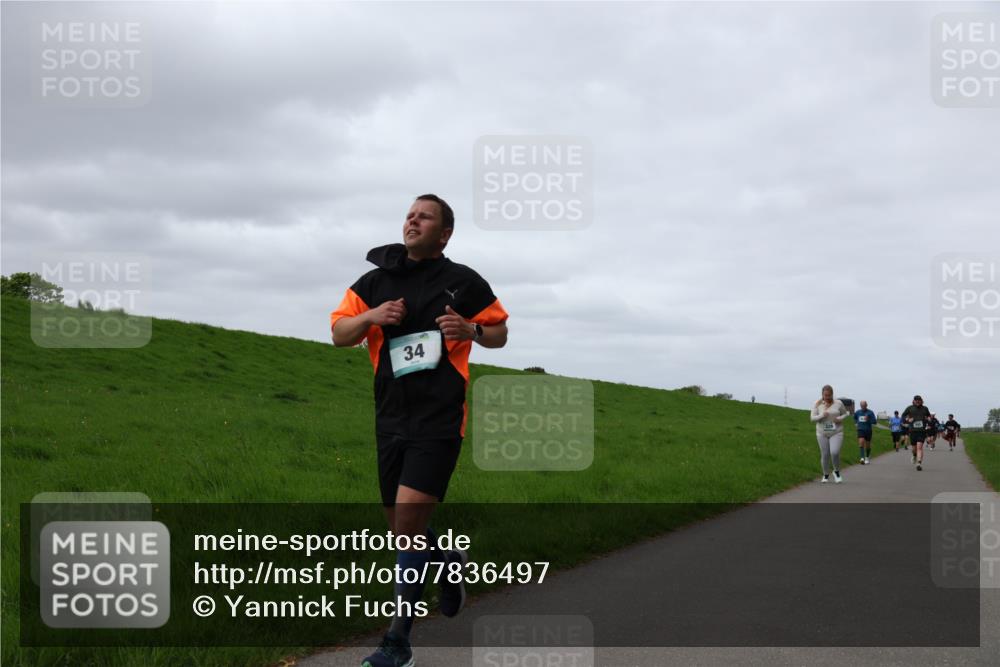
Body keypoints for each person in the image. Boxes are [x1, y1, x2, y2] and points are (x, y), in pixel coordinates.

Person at [330, 194, 510, 667]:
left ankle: (398, 642)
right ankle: (447, 561)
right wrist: (371, 316)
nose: (412, 220)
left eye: (424, 216)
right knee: (401, 531)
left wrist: (469, 330)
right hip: (389, 418)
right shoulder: (374, 281)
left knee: (408, 524)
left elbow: (500, 333)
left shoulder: (463, 282)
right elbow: (339, 333)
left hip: (440, 419)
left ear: (444, 233)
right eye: (410, 214)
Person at [811, 385, 850, 483]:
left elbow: (845, 414)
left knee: (834, 452)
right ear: (822, 394)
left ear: (832, 394)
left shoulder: (838, 403)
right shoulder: (817, 404)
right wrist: (821, 415)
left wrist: (839, 419)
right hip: (821, 432)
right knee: (825, 454)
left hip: (836, 431)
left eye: (829, 395)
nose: (827, 397)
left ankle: (836, 471)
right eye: (825, 395)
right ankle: (825, 475)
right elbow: (812, 418)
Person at [901, 395, 932, 472]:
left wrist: (928, 419)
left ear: (921, 401)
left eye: (919, 400)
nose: (917, 401)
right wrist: (908, 419)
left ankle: (919, 463)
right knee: (914, 449)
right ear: (914, 401)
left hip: (921, 431)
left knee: (919, 447)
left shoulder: (925, 408)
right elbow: (903, 416)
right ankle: (914, 455)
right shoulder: (910, 408)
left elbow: (928, 417)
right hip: (913, 431)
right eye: (916, 400)